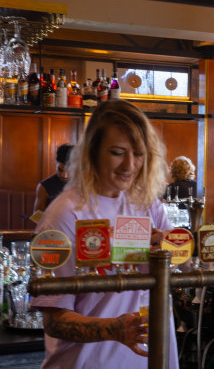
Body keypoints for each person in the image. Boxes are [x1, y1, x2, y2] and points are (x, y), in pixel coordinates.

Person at [30, 100, 179, 369]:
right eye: (117, 152)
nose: (130, 165)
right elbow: (54, 320)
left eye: (139, 154)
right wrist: (113, 328)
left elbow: (177, 272)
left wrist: (175, 255)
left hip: (153, 359)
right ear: (92, 152)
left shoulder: (147, 204)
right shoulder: (63, 216)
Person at [33, 143, 74, 212]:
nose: (64, 175)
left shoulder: (83, 184)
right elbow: (36, 215)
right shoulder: (44, 186)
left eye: (69, 171)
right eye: (60, 170)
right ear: (56, 163)